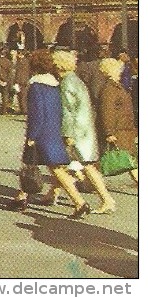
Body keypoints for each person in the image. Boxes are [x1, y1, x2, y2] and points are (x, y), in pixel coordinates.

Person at [10, 49, 90, 219]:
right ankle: (21, 196)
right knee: (36, 164)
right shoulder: (55, 84)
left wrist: (32, 135)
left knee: (53, 168)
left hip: (41, 133)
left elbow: (37, 113)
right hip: (53, 130)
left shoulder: (36, 85)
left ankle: (80, 202)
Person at [50, 50, 116, 213]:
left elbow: (68, 111)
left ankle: (107, 199)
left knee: (79, 165)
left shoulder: (66, 83)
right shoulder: (76, 80)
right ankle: (52, 193)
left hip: (76, 131)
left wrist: (67, 134)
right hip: (85, 128)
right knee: (76, 165)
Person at [97, 58, 138, 185]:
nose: (120, 71)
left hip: (124, 129)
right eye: (118, 69)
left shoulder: (115, 87)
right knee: (129, 161)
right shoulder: (110, 89)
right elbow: (107, 111)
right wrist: (109, 132)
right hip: (119, 131)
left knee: (130, 162)